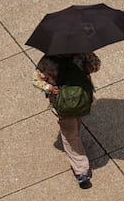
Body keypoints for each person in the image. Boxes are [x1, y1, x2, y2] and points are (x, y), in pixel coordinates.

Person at [33, 52, 100, 189]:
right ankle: (81, 169)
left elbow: (36, 80)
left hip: (63, 105)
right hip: (83, 98)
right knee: (72, 131)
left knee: (70, 134)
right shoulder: (82, 53)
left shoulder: (47, 61)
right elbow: (96, 66)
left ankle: (80, 169)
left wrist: (50, 88)